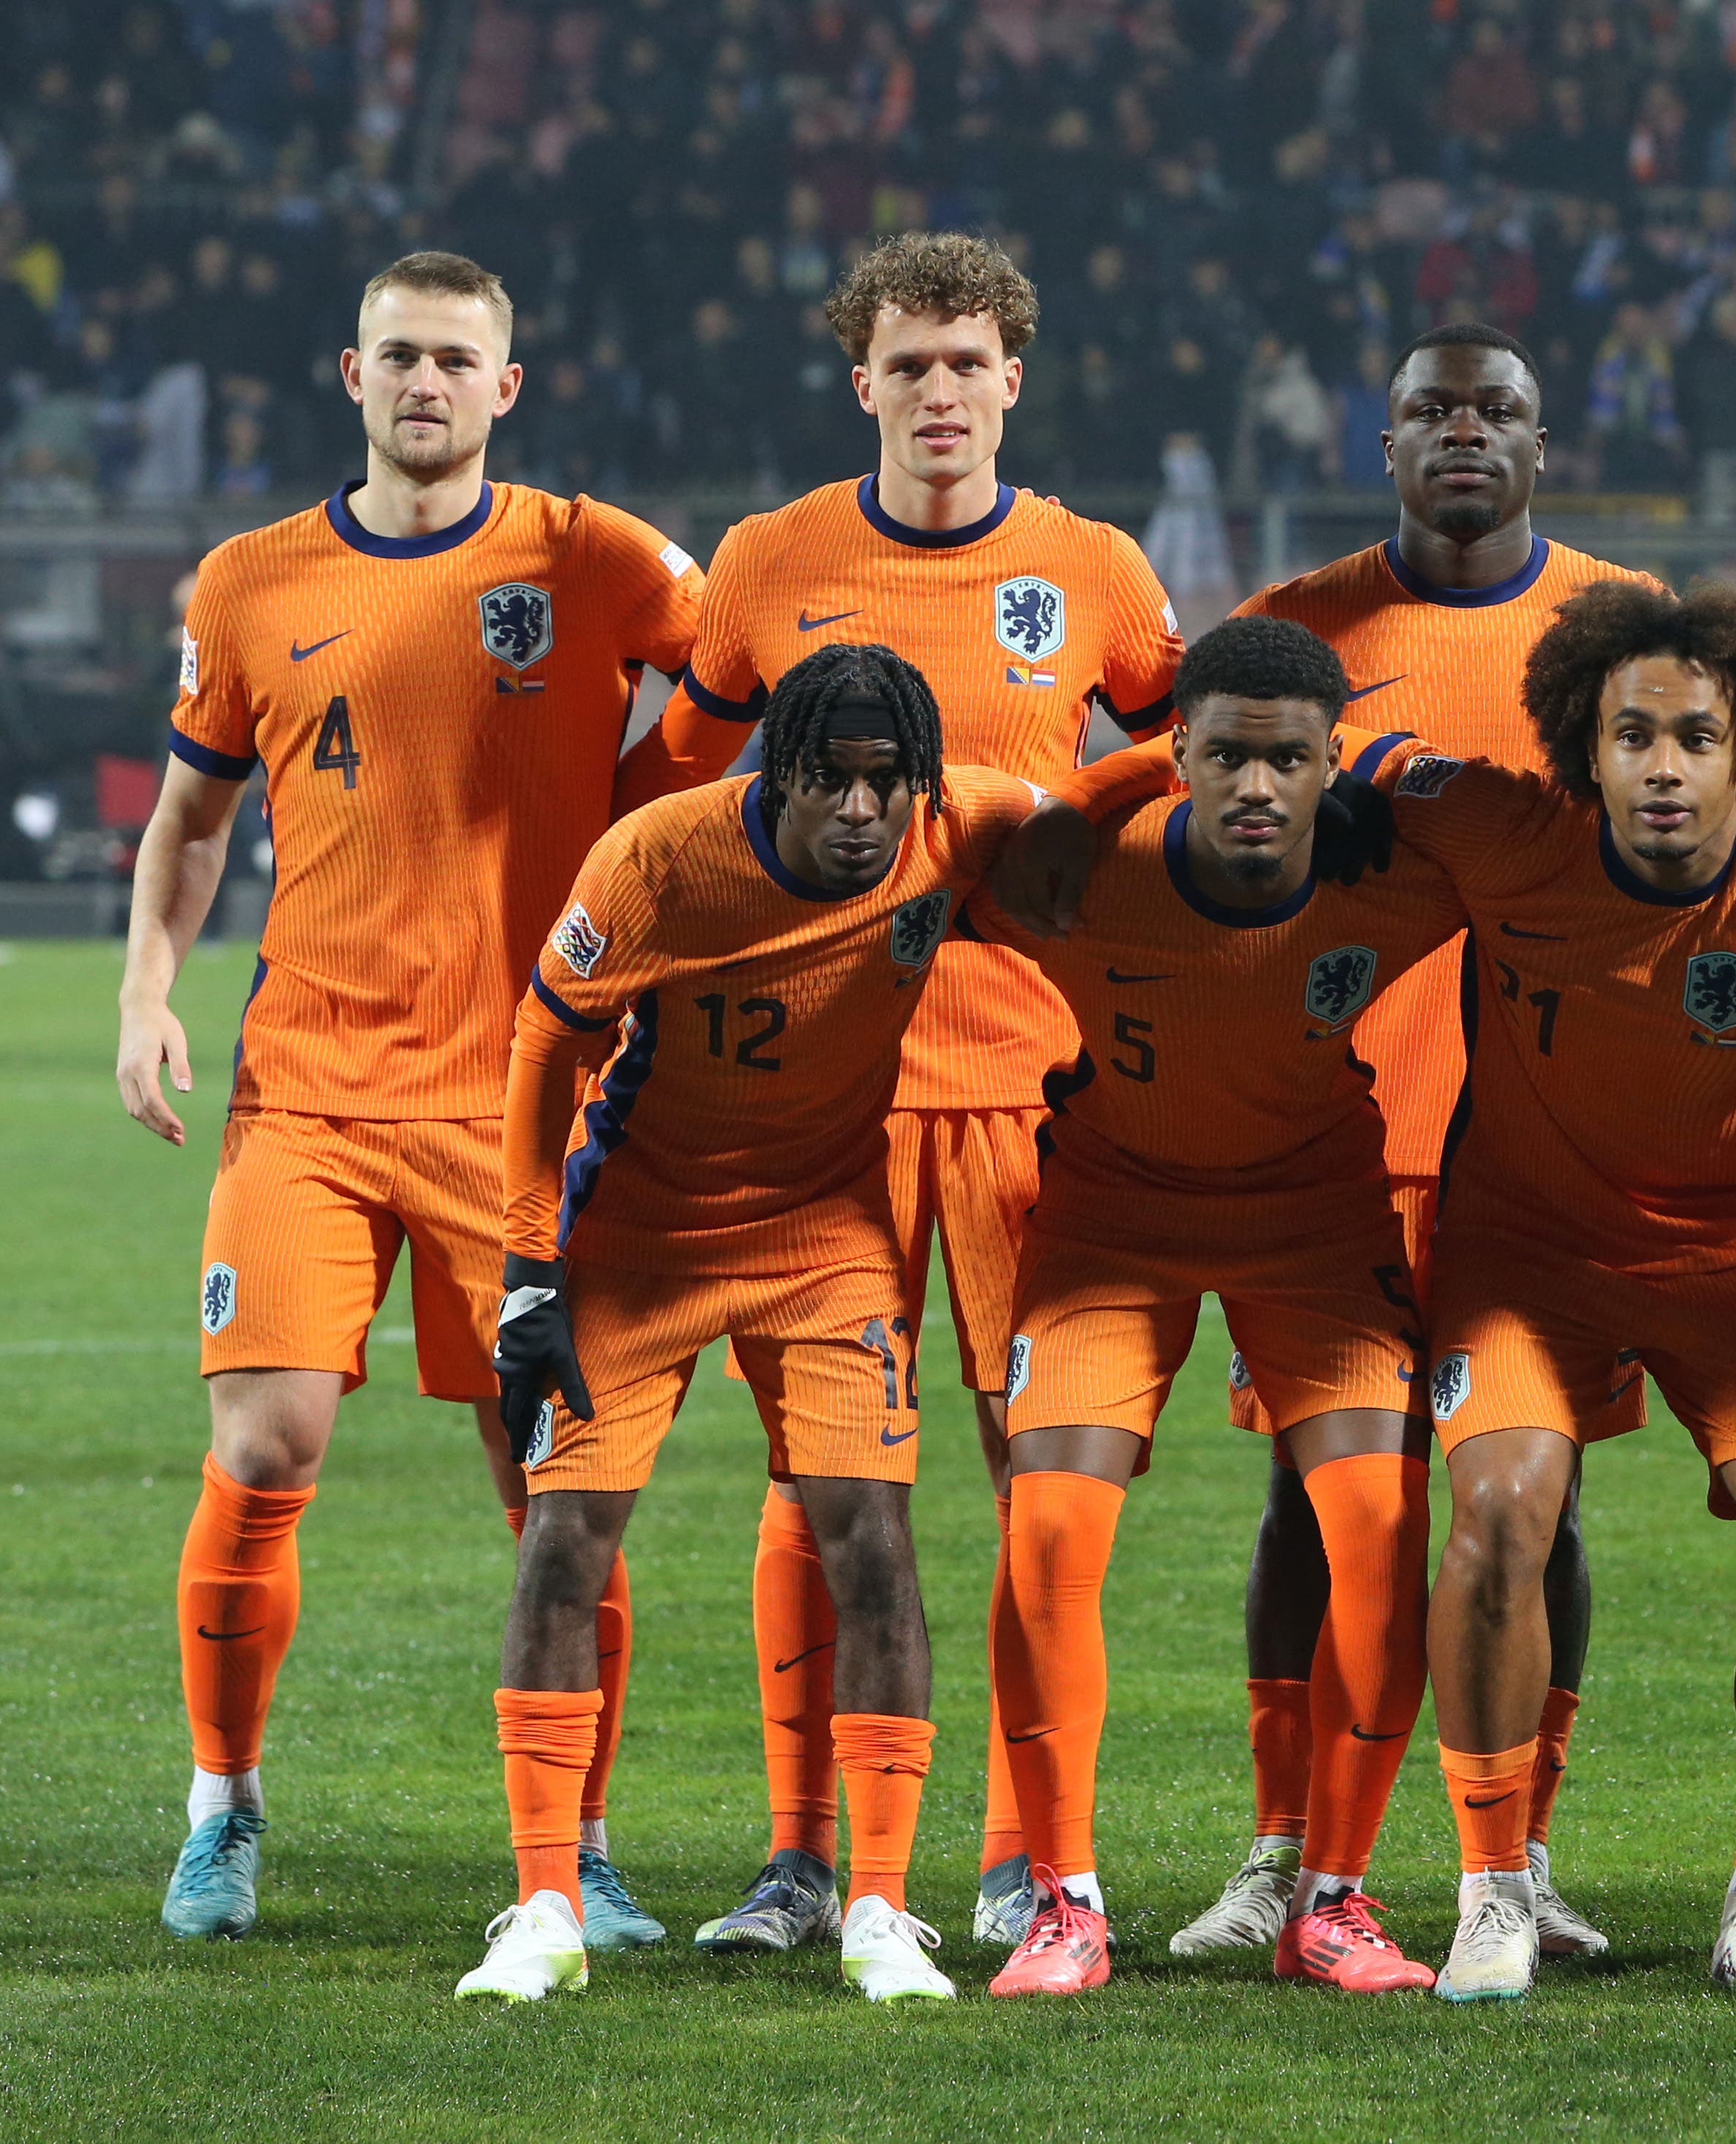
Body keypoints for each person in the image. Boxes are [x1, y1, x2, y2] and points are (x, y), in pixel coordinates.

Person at [119, 250, 702, 1947]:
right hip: (305, 1083)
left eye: (458, 358)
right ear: (350, 374)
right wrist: (150, 990)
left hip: (523, 1099)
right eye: (399, 357)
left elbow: (738, 679)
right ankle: (220, 1803)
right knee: (264, 1438)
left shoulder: (591, 554)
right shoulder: (246, 582)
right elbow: (191, 819)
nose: (426, 382)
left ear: (505, 388)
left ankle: (580, 1841)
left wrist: (654, 811)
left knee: (552, 1485)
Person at [624, 232, 1187, 1953]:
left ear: (1014, 377)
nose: (939, 393)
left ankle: (1025, 1853)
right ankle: (801, 1857)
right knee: (818, 1478)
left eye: (966, 363)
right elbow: (678, 777)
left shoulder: (1091, 573)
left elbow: (1187, 767)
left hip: (1028, 1086)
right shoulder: (767, 561)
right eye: (907, 364)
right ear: (857, 378)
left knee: (1039, 1469)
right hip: (819, 1096)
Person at [457, 643, 1099, 2004]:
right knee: (566, 1537)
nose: (864, 810)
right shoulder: (657, 861)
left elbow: (1090, 826)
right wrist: (527, 1269)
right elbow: (541, 1048)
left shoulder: (954, 823)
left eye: (887, 781)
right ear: (778, 772)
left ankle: (876, 1903)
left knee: (868, 1535)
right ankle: (542, 1904)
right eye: (832, 781)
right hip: (641, 1230)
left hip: (824, 1233)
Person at [1174, 322, 1658, 1966]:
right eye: (1431, 409)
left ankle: (1514, 1853)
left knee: (1541, 1503)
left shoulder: (1617, 634)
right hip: (1336, 1134)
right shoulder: (1293, 633)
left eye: (1498, 408)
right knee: (1316, 1501)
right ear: (1382, 442)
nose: (1465, 431)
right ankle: (1280, 1849)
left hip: (1543, 1144)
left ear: (1544, 439)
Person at [1398, 583, 1736, 2004]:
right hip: (1524, 1261)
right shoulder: (1505, 830)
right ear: (1583, 746)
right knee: (1497, 1512)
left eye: (1696, 735)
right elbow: (1335, 759)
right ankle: (1494, 1891)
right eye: (1632, 736)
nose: (1662, 765)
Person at [964, 619, 1464, 1999]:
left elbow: (1544, 832)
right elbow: (933, 827)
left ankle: (1334, 1901)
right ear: (1174, 752)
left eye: (1287, 759)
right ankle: (1065, 1901)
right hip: (1108, 1218)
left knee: (1377, 1530)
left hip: (1313, 1221)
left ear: (1328, 765)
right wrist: (1090, 793)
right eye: (1224, 754)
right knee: (1047, 1527)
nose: (1255, 784)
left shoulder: (1397, 883)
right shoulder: (1078, 875)